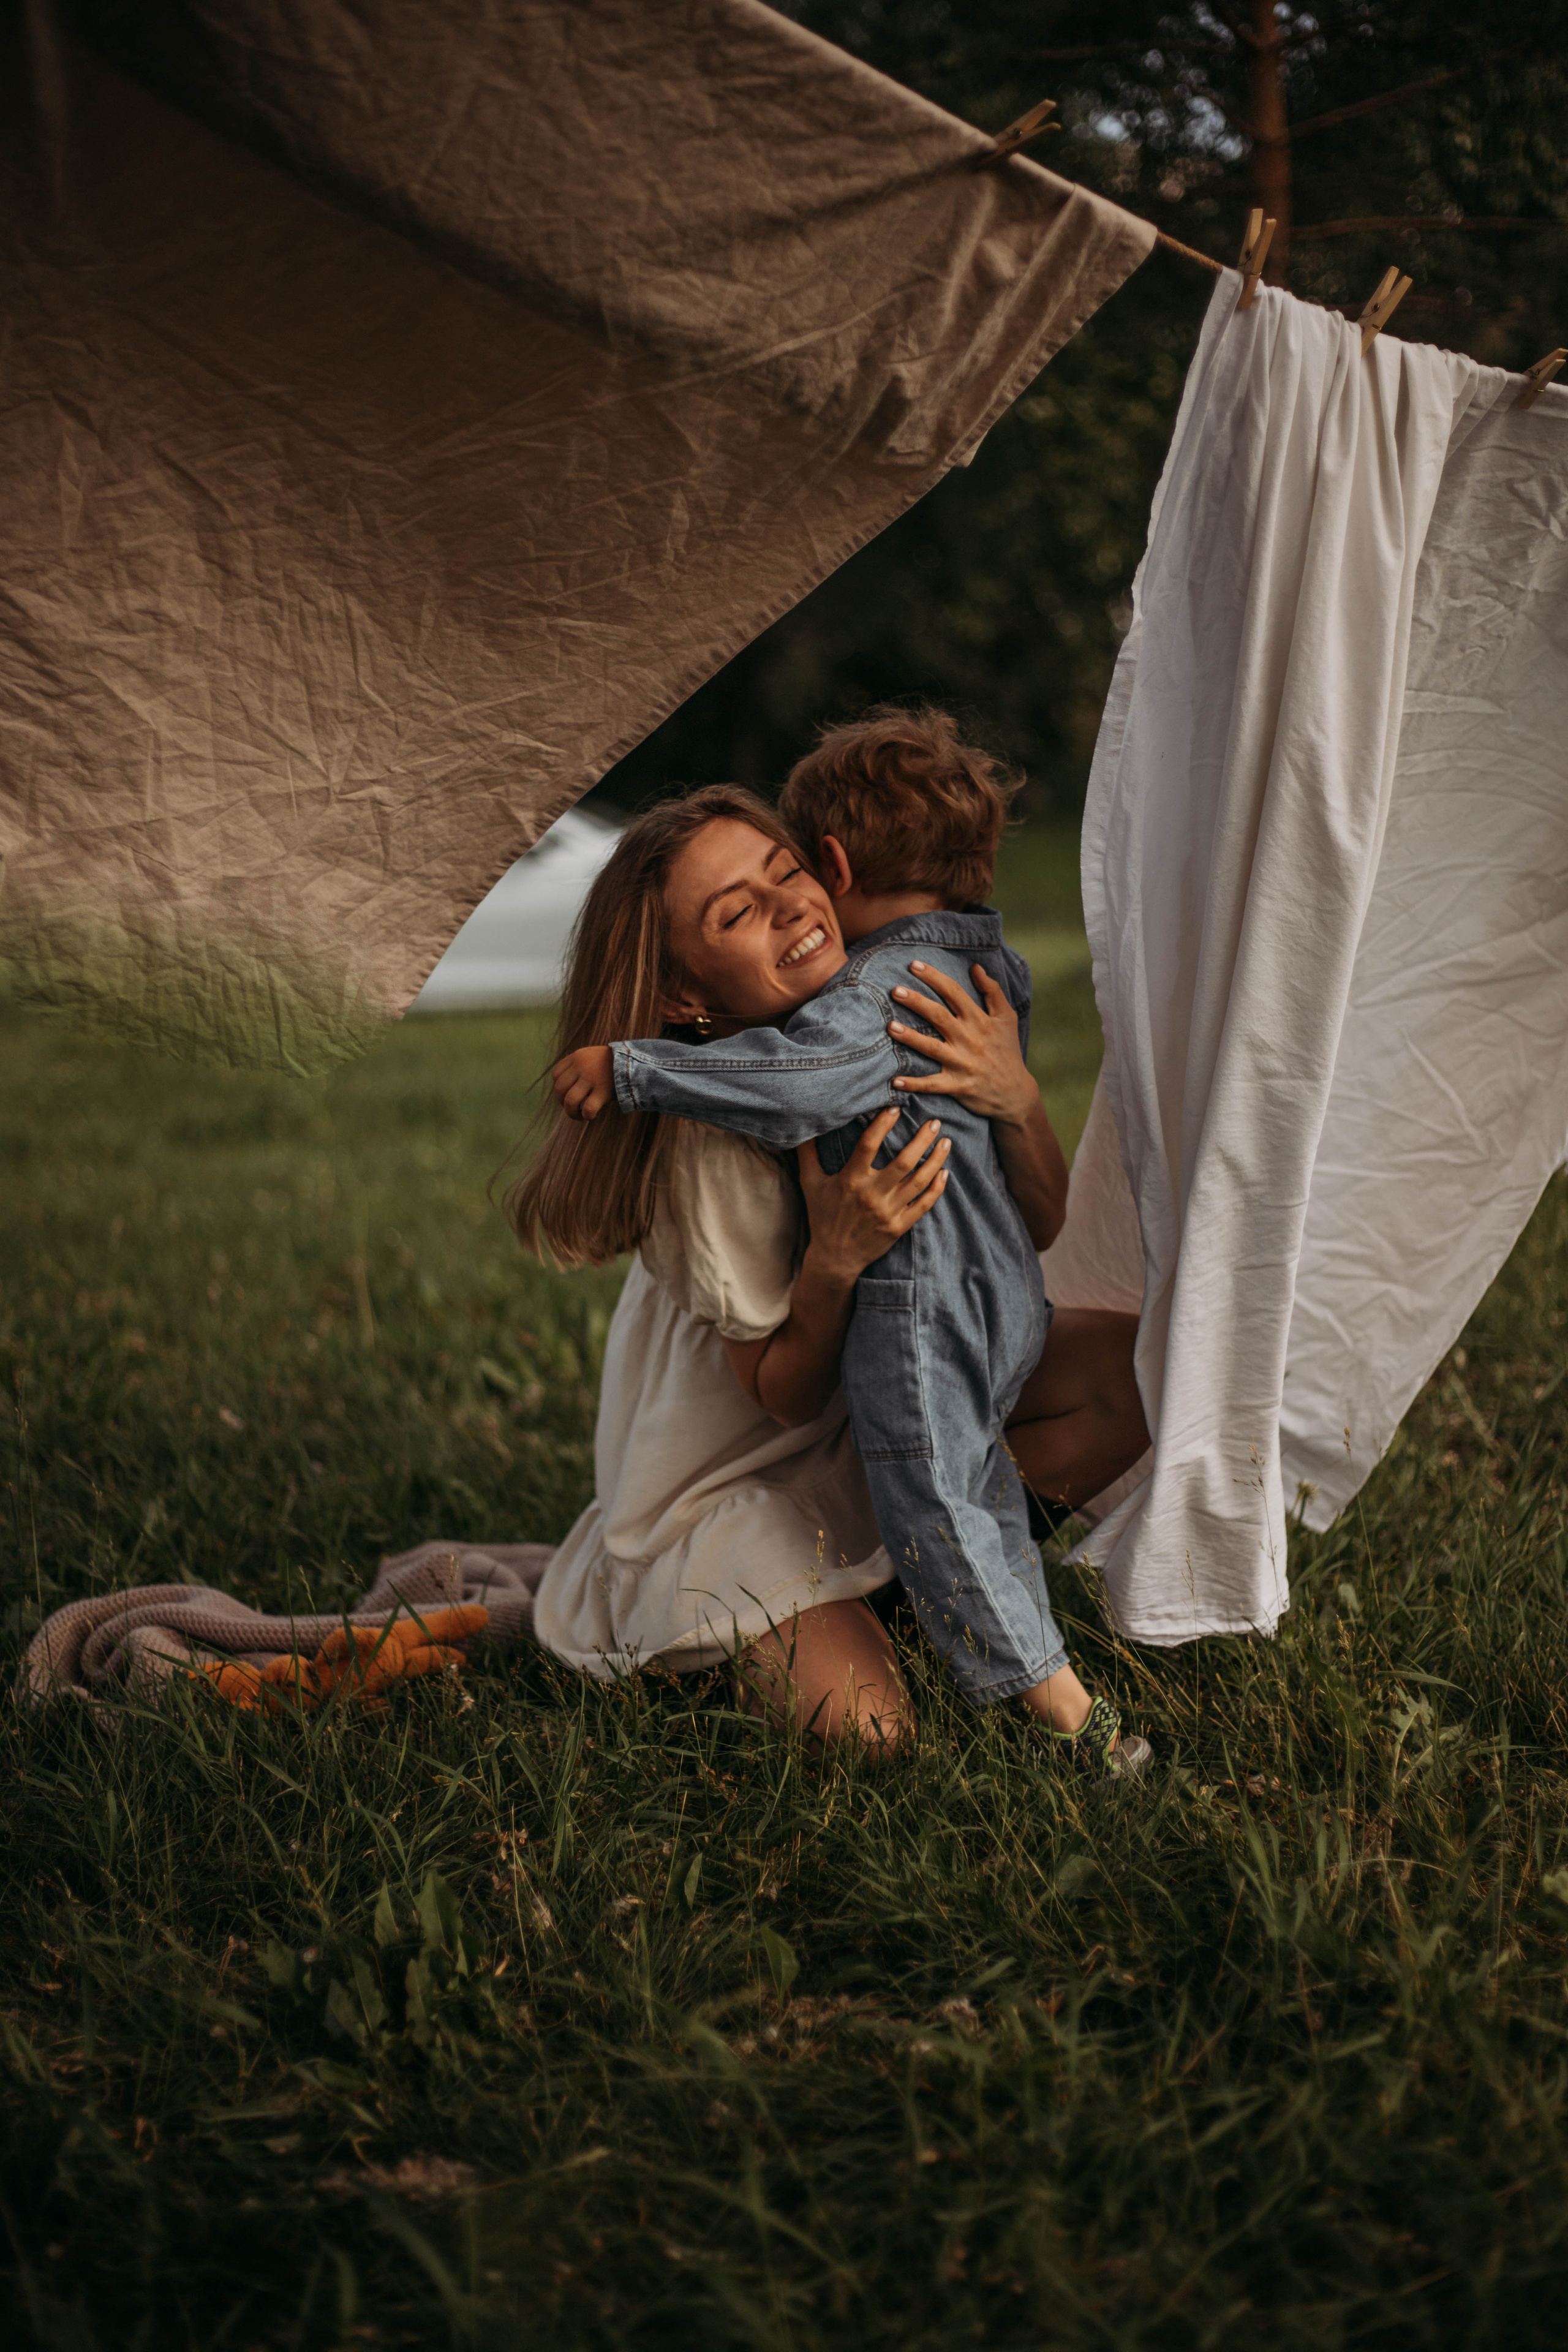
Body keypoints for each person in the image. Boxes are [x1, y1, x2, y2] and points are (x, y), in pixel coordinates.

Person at [550, 711, 1150, 1774]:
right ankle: (840, 1614)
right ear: (686, 996)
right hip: (750, 1483)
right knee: (876, 1740)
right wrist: (833, 1255)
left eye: (788, 874)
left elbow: (1042, 1221)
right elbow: (779, 1394)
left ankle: (930, 1588)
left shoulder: (899, 1011)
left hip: (884, 1408)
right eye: (740, 913)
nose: (791, 909)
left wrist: (1012, 1097)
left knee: (1131, 1378)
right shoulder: (703, 1149)